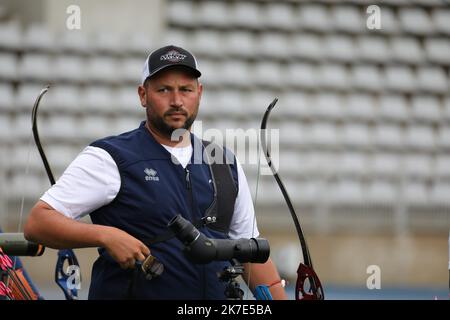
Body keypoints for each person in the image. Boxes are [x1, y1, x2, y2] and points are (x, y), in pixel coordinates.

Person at [24, 45, 287, 300]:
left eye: (186, 90)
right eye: (164, 90)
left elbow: (250, 253)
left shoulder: (224, 163)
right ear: (143, 95)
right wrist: (107, 235)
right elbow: (39, 223)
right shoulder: (109, 157)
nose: (176, 101)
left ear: (199, 93)